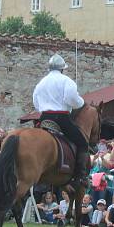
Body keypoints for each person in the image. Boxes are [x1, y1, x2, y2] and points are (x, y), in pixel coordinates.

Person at [33, 53, 88, 187]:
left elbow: (35, 101)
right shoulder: (66, 81)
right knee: (82, 143)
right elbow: (72, 99)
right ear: (62, 69)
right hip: (61, 118)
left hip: (44, 117)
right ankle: (79, 176)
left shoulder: (41, 82)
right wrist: (81, 103)